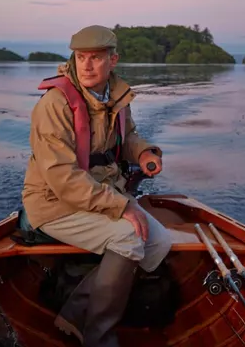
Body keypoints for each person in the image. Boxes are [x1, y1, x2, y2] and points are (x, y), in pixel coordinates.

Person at [21, 25, 172, 347]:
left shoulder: (116, 97)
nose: (87, 65)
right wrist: (123, 206)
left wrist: (144, 151)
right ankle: (99, 337)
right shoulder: (54, 105)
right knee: (130, 236)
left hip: (100, 193)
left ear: (112, 60)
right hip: (53, 203)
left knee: (160, 244)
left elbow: (127, 137)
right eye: (80, 57)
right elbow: (62, 179)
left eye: (96, 58)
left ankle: (76, 311)